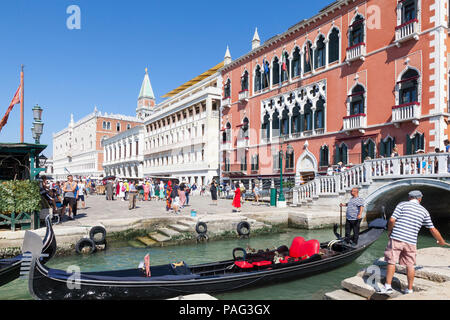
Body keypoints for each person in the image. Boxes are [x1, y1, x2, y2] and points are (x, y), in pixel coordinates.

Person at [379, 190, 448, 295]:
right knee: (410, 265)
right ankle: (409, 289)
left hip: (397, 237)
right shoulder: (424, 211)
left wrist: (389, 231)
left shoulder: (402, 205)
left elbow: (392, 220)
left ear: (409, 197)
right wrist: (441, 240)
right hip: (411, 241)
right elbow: (432, 228)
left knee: (392, 261)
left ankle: (388, 287)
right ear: (419, 199)